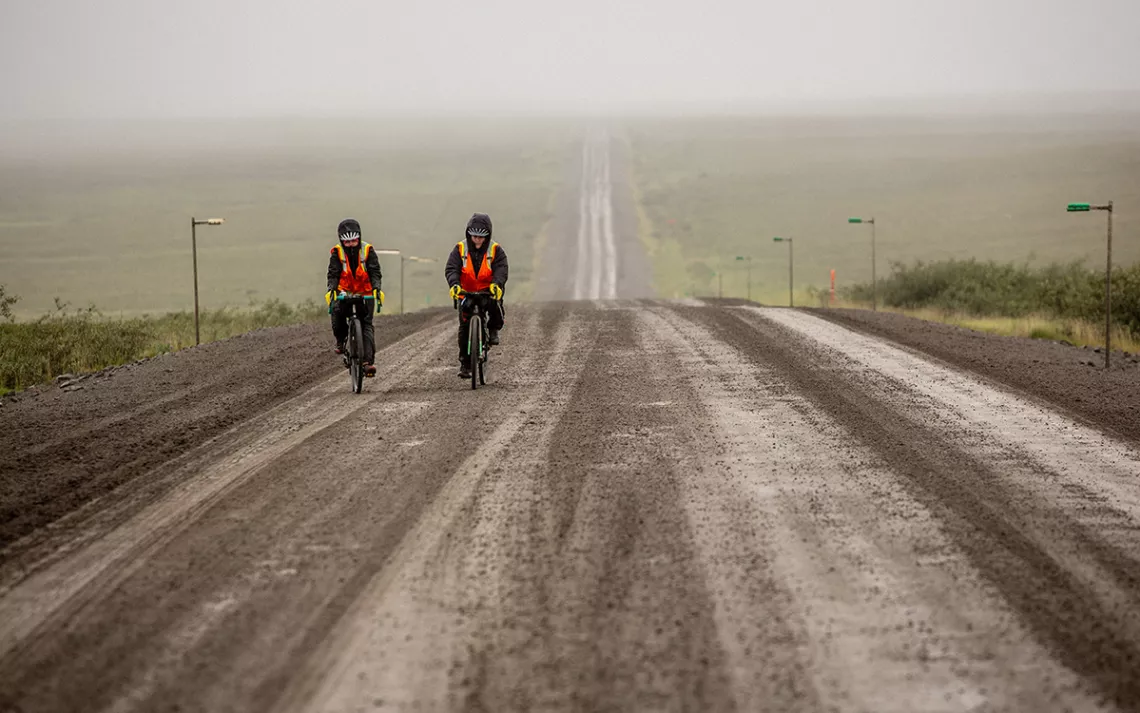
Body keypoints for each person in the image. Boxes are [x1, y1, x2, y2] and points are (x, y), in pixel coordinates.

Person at [445, 212, 508, 379]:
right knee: (464, 328)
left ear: (487, 236)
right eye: (474, 236)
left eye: (481, 237)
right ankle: (465, 364)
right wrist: (454, 285)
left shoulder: (495, 250)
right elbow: (452, 268)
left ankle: (493, 330)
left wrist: (497, 284)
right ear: (469, 234)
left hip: (488, 291)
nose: (477, 240)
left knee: (496, 307)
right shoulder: (460, 249)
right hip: (466, 292)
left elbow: (501, 269)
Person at [325, 218, 383, 377]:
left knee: (366, 325)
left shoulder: (367, 250)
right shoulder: (337, 253)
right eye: (347, 242)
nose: (351, 244)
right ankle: (341, 341)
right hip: (344, 293)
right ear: (342, 241)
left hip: (365, 293)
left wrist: (376, 288)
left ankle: (367, 363)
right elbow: (333, 274)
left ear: (359, 238)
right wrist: (332, 289)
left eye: (354, 241)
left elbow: (375, 272)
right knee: (337, 313)